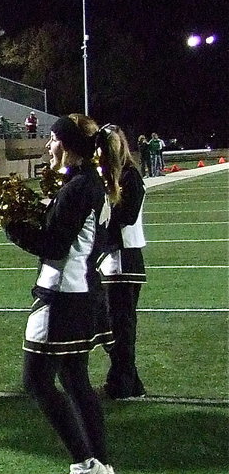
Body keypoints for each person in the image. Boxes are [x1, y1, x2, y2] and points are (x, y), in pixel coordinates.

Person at [4, 113, 122, 474]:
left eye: (52, 139)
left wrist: (10, 224)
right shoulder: (92, 183)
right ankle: (101, 465)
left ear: (67, 144)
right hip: (83, 292)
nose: (47, 146)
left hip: (63, 296)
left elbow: (54, 246)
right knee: (74, 380)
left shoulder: (77, 188)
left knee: (36, 381)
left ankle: (84, 464)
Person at [98, 127, 147, 401]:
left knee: (121, 326)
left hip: (124, 257)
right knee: (115, 325)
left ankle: (122, 383)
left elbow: (126, 216)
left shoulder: (129, 176)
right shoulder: (111, 176)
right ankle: (128, 381)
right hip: (112, 259)